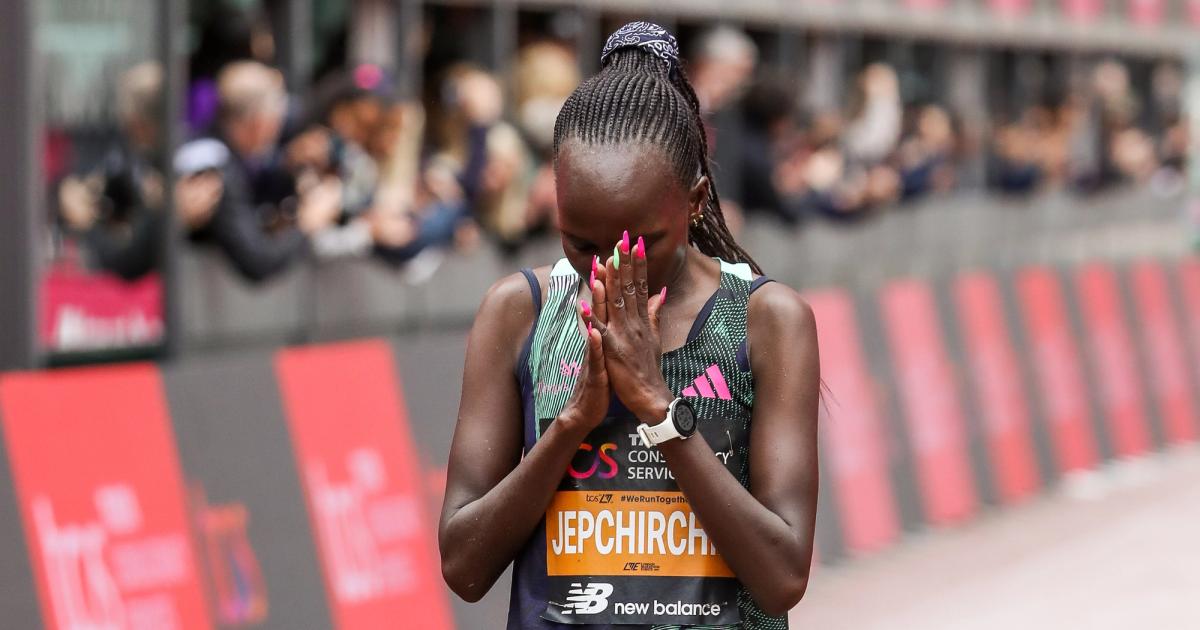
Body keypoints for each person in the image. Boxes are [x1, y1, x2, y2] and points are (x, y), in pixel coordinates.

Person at [439, 22, 818, 629]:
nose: (610, 266)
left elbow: (781, 579)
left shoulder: (766, 321)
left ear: (695, 202)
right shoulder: (520, 311)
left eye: (640, 242)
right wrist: (570, 424)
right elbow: (464, 566)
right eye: (580, 242)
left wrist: (659, 409)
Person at [179, 61, 340, 282]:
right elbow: (257, 260)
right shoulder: (212, 169)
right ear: (260, 123)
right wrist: (307, 225)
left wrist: (287, 164)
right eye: (276, 121)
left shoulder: (213, 151)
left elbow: (251, 184)